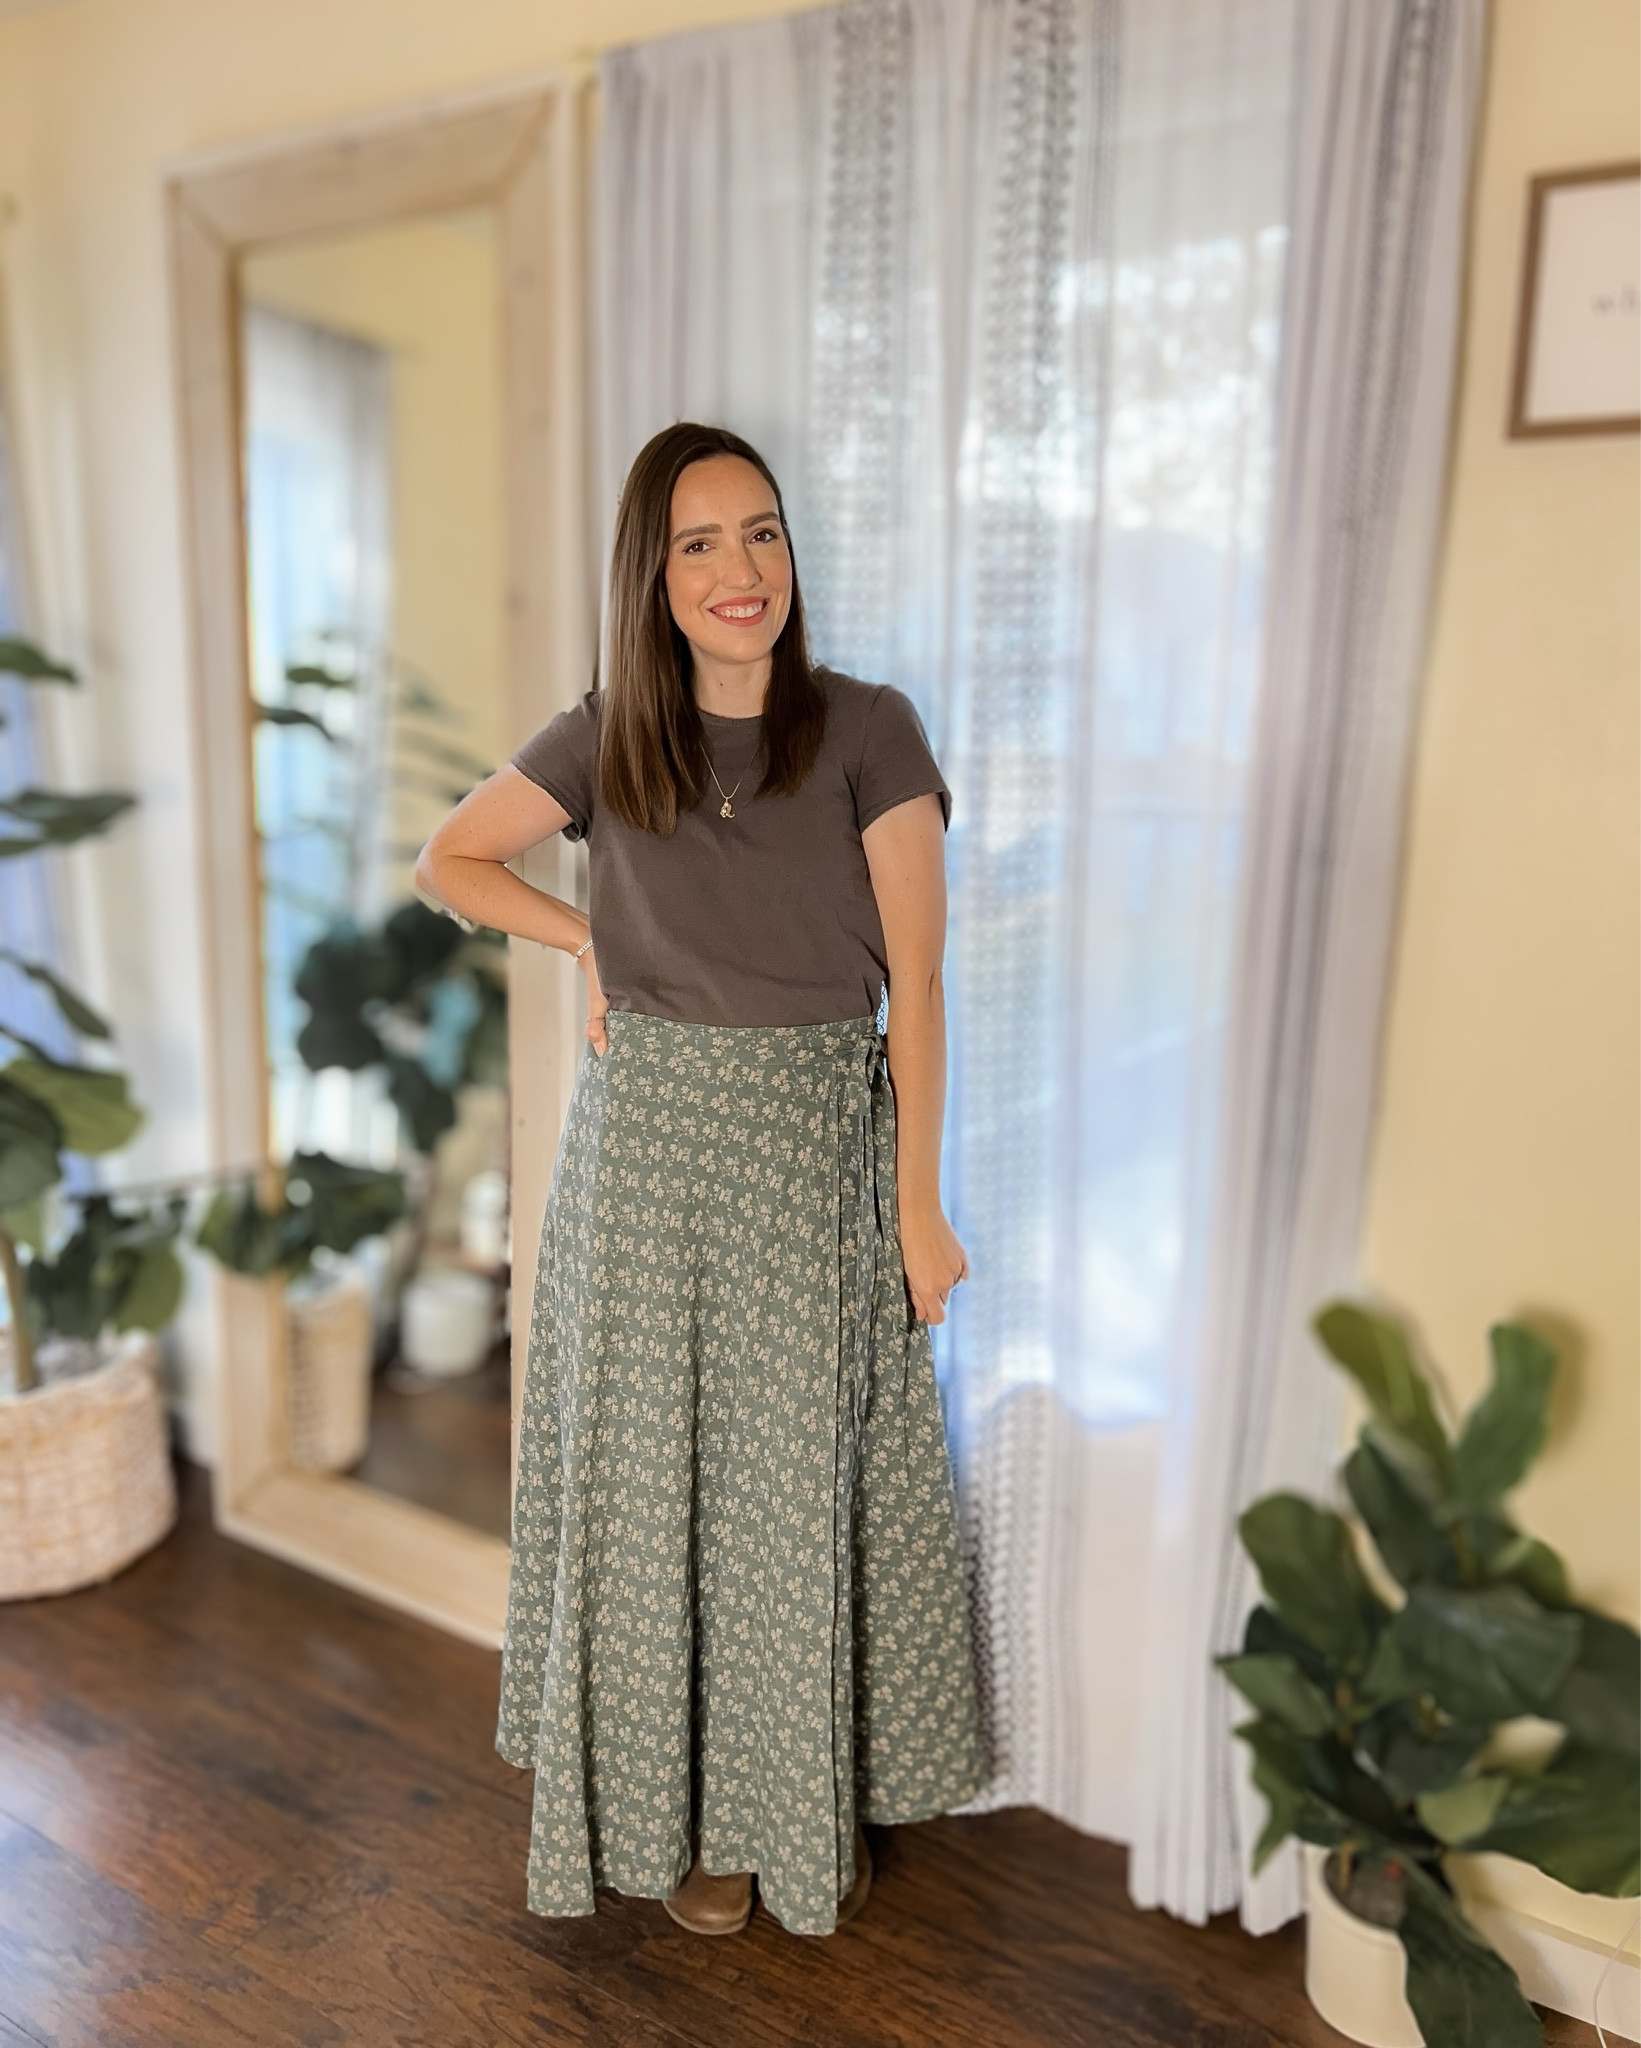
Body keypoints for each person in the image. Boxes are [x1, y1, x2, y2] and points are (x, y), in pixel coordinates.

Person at [416, 421, 982, 1940]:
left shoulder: (869, 728)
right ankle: (675, 1824)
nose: (743, 571)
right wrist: (584, 937)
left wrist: (920, 1207)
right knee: (655, 1505)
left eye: (764, 534)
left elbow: (914, 994)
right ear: (652, 578)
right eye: (701, 544)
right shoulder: (606, 735)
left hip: (811, 1156)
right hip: (647, 1163)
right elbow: (452, 860)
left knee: (788, 1506)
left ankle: (776, 1819)